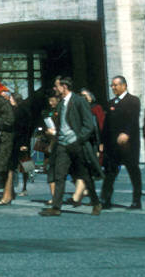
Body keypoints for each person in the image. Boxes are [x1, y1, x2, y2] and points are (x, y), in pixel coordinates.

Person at [40, 76, 103, 217]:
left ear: (64, 86)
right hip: (62, 144)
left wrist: (79, 139)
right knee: (59, 175)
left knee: (85, 175)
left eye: (57, 86)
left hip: (77, 144)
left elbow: (89, 125)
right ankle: (56, 207)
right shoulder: (60, 104)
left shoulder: (79, 101)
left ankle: (96, 202)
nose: (55, 89)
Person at [100, 76, 142, 210]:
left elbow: (133, 120)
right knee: (110, 173)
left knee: (133, 171)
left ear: (124, 86)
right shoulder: (110, 103)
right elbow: (106, 125)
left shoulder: (133, 101)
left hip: (128, 145)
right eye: (112, 85)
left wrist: (126, 133)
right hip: (112, 145)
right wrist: (102, 142)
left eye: (116, 85)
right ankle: (106, 199)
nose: (113, 88)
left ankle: (136, 200)